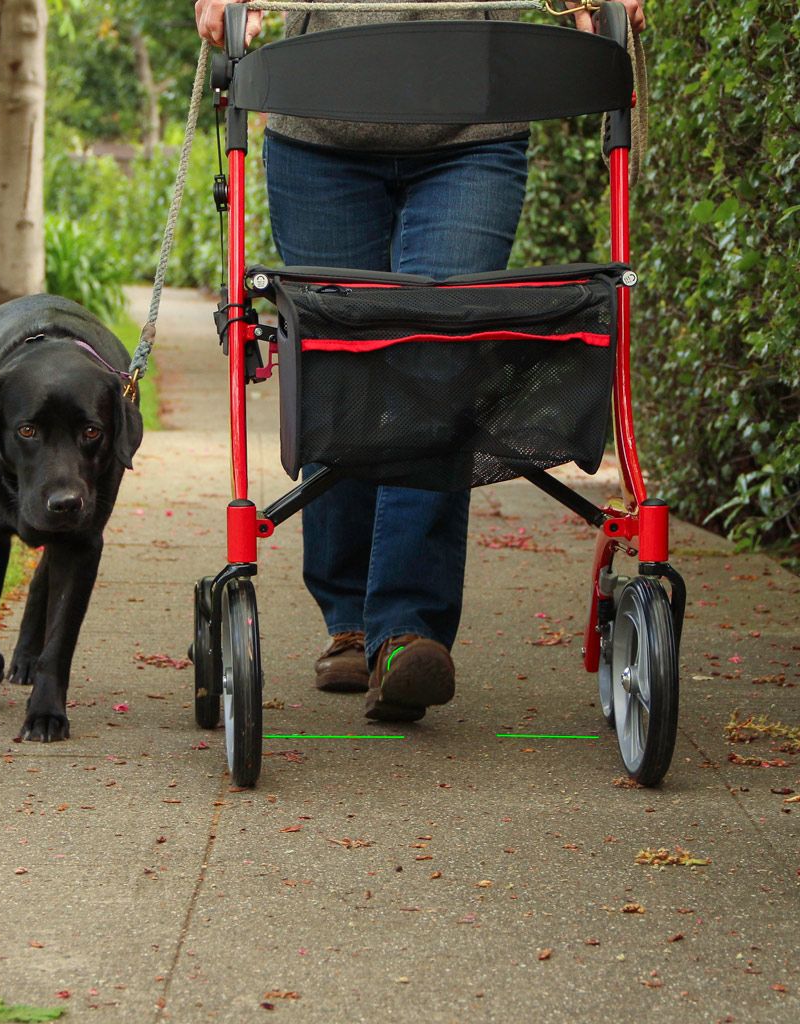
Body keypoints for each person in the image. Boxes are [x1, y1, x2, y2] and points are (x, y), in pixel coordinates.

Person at [194, 0, 646, 722]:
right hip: (319, 121)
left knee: (442, 358)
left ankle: (406, 630)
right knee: (339, 363)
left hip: (475, 120)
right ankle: (348, 618)